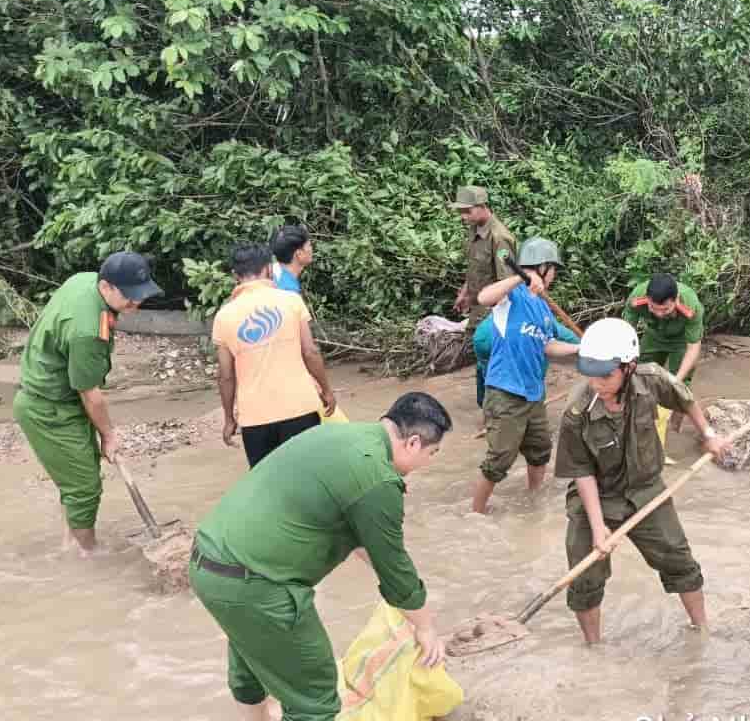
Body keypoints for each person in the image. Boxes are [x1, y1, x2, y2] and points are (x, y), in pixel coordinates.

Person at [189, 392, 451, 721]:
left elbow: (364, 544)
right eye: (432, 453)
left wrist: (406, 597)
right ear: (413, 443)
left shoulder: (336, 434)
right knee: (315, 701)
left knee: (251, 663)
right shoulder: (378, 478)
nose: (428, 463)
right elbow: (395, 570)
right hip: (259, 584)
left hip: (207, 560)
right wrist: (425, 627)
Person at [554, 318, 730, 644]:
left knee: (680, 560)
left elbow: (685, 399)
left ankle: (702, 631)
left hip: (647, 489)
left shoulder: (651, 380)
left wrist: (709, 435)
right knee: (584, 577)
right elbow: (581, 472)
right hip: (598, 496)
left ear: (629, 367)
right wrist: (597, 527)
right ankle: (593, 648)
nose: (596, 383)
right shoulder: (576, 412)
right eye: (590, 373)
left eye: (605, 374)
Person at [14, 251, 163, 554]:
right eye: (130, 297)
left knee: (79, 475)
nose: (136, 303)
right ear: (106, 287)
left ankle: (70, 543)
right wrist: (109, 436)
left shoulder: (84, 281)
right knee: (84, 487)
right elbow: (89, 393)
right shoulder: (87, 331)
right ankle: (88, 555)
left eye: (141, 296)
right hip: (49, 409)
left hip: (56, 393)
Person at [470, 237, 578, 514]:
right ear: (543, 267)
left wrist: (581, 347)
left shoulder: (542, 308)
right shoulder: (511, 298)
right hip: (505, 392)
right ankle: (475, 513)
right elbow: (483, 297)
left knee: (540, 451)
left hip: (533, 395)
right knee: (498, 461)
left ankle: (533, 501)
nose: (554, 275)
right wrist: (520, 279)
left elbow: (548, 346)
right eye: (553, 269)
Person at [211, 244, 335, 467]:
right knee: (309, 478)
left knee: (268, 487)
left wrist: (229, 418)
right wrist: (326, 390)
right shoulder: (291, 301)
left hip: (255, 418)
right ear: (269, 269)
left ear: (235, 276)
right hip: (300, 408)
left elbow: (226, 376)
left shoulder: (224, 316)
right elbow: (310, 352)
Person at [450, 185, 517, 405]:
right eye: (461, 212)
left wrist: (494, 322)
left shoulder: (499, 238)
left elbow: (507, 284)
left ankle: (497, 409)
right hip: (478, 310)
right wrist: (465, 292)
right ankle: (487, 406)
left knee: (492, 362)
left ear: (482, 207)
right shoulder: (475, 229)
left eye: (467, 211)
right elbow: (475, 268)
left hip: (493, 314)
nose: (463, 216)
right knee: (481, 362)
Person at [621, 272, 705, 434]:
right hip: (654, 335)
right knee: (640, 373)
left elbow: (693, 347)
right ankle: (641, 417)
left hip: (680, 341)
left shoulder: (690, 305)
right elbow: (626, 329)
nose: (659, 313)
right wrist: (627, 356)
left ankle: (674, 426)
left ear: (676, 299)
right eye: (653, 308)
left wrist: (675, 381)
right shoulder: (638, 296)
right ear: (648, 298)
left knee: (680, 385)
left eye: (665, 309)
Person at [472, 311, 581, 408]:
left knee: (491, 376)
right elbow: (562, 334)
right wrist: (583, 345)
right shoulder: (535, 314)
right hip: (491, 339)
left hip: (484, 337)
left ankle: (487, 405)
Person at [270, 224, 313, 294]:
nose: (311, 249)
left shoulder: (270, 272)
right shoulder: (289, 290)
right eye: (309, 245)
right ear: (299, 254)